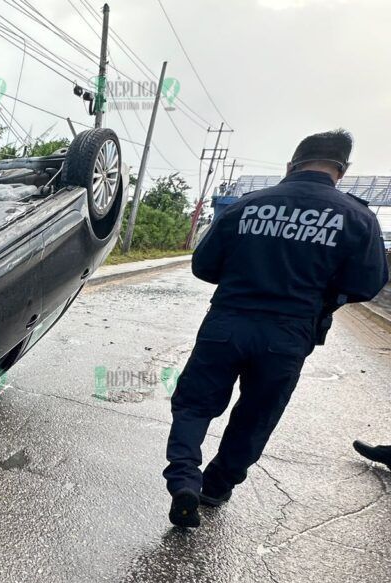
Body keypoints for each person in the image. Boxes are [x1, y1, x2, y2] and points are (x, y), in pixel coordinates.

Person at [164, 129, 388, 528]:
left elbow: (203, 265)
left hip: (228, 321)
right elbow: (366, 284)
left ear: (291, 164)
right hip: (289, 333)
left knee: (194, 403)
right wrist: (322, 296)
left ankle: (183, 477)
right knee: (257, 414)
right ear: (342, 170)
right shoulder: (357, 218)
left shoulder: (248, 204)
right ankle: (215, 487)